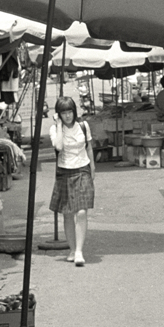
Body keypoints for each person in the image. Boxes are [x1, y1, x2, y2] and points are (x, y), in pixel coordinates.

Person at [49, 96, 95, 266]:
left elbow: (89, 147)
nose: (67, 116)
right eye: (63, 113)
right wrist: (58, 125)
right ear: (58, 114)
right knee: (68, 213)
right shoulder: (55, 130)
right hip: (64, 171)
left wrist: (92, 168)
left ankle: (79, 251)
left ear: (74, 112)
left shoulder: (83, 126)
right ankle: (72, 249)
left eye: (70, 112)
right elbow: (59, 147)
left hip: (83, 169)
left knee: (81, 211)